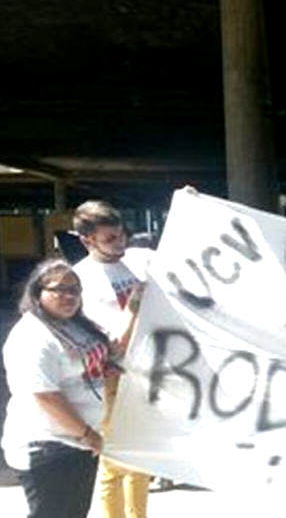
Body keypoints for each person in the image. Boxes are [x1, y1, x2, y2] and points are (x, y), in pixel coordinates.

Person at [2, 259, 112, 518]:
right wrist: (87, 434)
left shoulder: (74, 325)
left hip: (79, 443)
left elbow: (103, 358)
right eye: (59, 289)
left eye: (74, 290)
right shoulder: (33, 335)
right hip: (48, 446)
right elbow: (45, 395)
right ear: (38, 293)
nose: (68, 296)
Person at [72, 200, 153, 518]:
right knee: (114, 458)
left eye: (121, 236)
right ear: (86, 239)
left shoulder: (138, 260)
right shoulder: (79, 279)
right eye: (110, 239)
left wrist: (189, 204)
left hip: (146, 370)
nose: (119, 244)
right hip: (110, 375)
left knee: (143, 456)